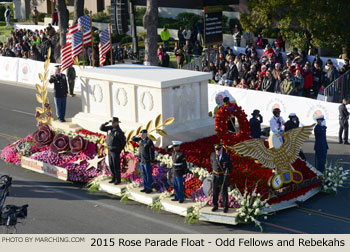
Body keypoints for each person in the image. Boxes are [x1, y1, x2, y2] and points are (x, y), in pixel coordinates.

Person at [99, 117, 126, 185]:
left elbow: (123, 142)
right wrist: (105, 123)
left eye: (114, 122)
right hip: (109, 149)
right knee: (111, 165)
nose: (112, 123)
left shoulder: (118, 131)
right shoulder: (109, 128)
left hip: (115, 150)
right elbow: (101, 128)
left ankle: (118, 179)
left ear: (117, 123)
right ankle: (113, 178)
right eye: (112, 122)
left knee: (116, 165)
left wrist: (119, 149)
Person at [210, 144, 233, 213]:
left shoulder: (226, 156)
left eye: (218, 150)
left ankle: (225, 207)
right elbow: (212, 163)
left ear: (222, 149)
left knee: (224, 192)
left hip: (223, 176)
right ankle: (215, 205)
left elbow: (230, 166)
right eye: (216, 149)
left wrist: (227, 174)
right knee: (215, 191)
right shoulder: (213, 155)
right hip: (215, 175)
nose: (217, 151)